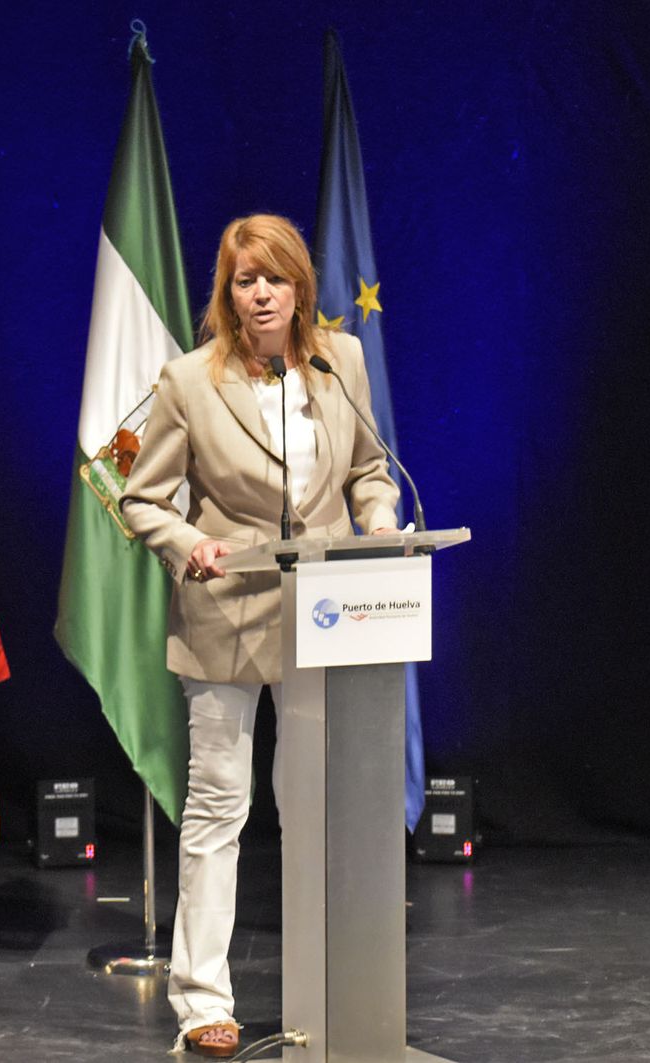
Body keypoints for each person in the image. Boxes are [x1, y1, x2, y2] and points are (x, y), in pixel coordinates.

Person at [120, 214, 400, 1058]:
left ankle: (323, 986)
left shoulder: (339, 360)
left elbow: (368, 472)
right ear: (228, 293)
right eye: (246, 280)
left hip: (325, 617)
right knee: (219, 806)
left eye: (275, 277)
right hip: (226, 616)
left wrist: (380, 528)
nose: (262, 293)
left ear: (299, 286)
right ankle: (203, 997)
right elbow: (140, 498)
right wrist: (186, 544)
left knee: (311, 805)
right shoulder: (188, 382)